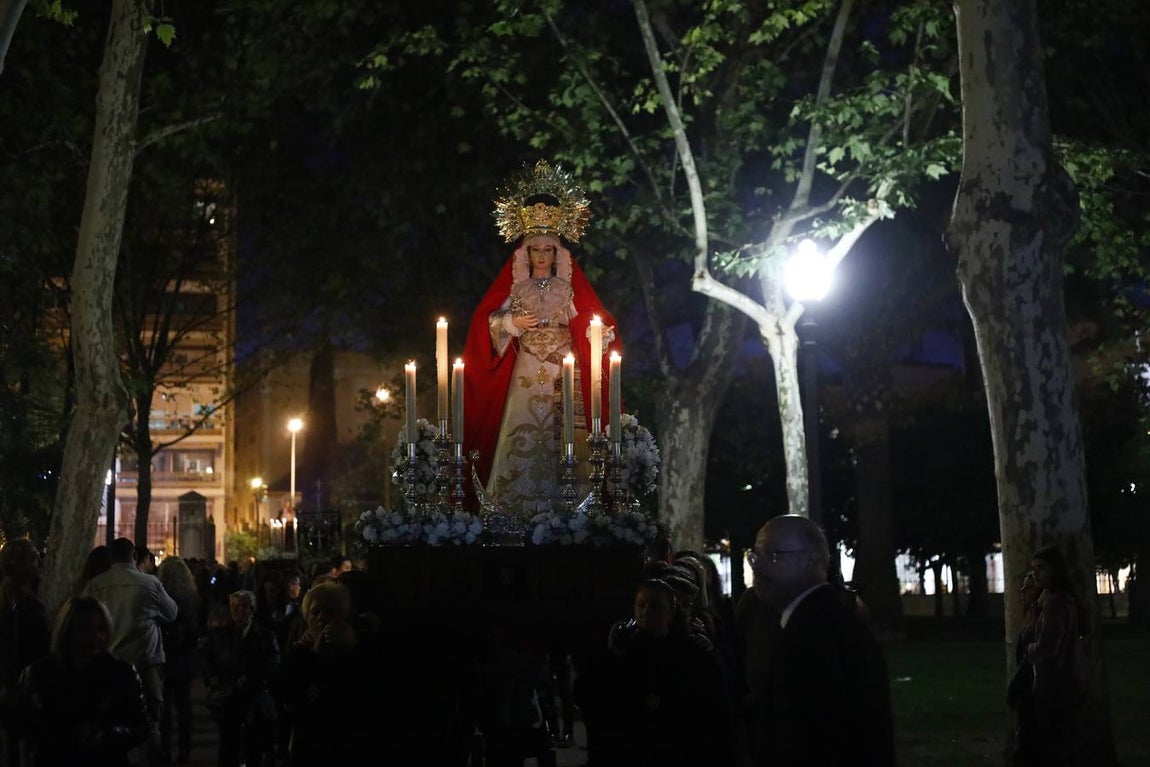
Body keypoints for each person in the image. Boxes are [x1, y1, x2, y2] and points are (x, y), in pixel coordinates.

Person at [464, 161, 621, 516]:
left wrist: (600, 334)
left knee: (569, 441)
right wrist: (510, 321)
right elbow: (486, 322)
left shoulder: (569, 288)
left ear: (557, 253)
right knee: (522, 440)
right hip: (525, 375)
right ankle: (513, 507)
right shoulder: (516, 287)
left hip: (565, 375)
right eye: (535, 250)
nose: (541, 256)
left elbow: (592, 321)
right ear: (525, 253)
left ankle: (575, 507)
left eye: (548, 250)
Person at [749, 515, 894, 767]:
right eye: (755, 555)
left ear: (810, 561)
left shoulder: (813, 634)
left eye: (772, 554)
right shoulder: (822, 621)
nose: (757, 567)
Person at [17, 596, 148, 766]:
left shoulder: (121, 673)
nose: (95, 636)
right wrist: (67, 734)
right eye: (85, 629)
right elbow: (26, 724)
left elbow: (140, 725)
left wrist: (109, 733)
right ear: (68, 630)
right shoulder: (40, 674)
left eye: (101, 628)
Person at [82, 537, 178, 766]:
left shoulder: (96, 584)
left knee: (113, 718)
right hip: (146, 660)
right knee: (150, 720)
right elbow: (172, 612)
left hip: (110, 660)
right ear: (133, 555)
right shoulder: (149, 583)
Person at [201, 590, 279, 767]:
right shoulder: (221, 634)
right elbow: (206, 656)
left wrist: (254, 677)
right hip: (228, 697)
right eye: (234, 607)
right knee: (229, 745)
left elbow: (273, 664)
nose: (237, 611)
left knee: (254, 746)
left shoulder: (265, 635)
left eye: (242, 607)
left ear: (251, 609)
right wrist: (212, 676)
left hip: (253, 698)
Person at [1024, 545, 1083, 766]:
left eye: (1041, 568)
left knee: (1054, 748)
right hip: (1062, 684)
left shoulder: (1056, 602)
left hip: (1056, 686)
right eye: (1033, 569)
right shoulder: (1050, 599)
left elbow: (1047, 648)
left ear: (1055, 570)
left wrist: (1027, 650)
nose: (1035, 574)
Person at [0, 539, 51, 766]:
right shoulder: (17, 602)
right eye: (33, 558)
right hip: (19, 685)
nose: (38, 563)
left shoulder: (17, 596)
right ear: (15, 564)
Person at [156, 556, 200, 764]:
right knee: (184, 706)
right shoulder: (192, 596)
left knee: (165, 707)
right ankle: (185, 749)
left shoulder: (160, 596)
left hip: (165, 655)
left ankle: (165, 748)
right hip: (185, 657)